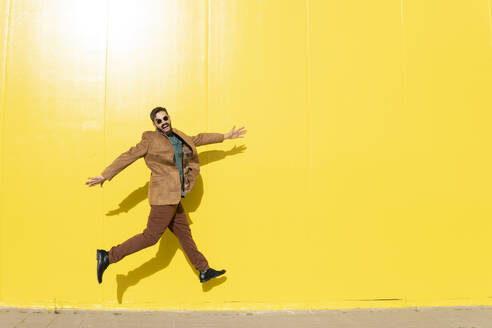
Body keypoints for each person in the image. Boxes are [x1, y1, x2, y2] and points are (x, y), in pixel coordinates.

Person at [86, 106, 247, 284]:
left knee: (184, 235)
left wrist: (224, 136)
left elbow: (197, 139)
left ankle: (203, 270)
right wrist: (106, 174)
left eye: (165, 118)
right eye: (159, 121)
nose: (164, 122)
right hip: (163, 197)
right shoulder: (150, 139)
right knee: (150, 237)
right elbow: (129, 155)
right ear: (154, 124)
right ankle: (108, 256)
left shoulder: (177, 135)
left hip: (174, 197)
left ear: (169, 118)